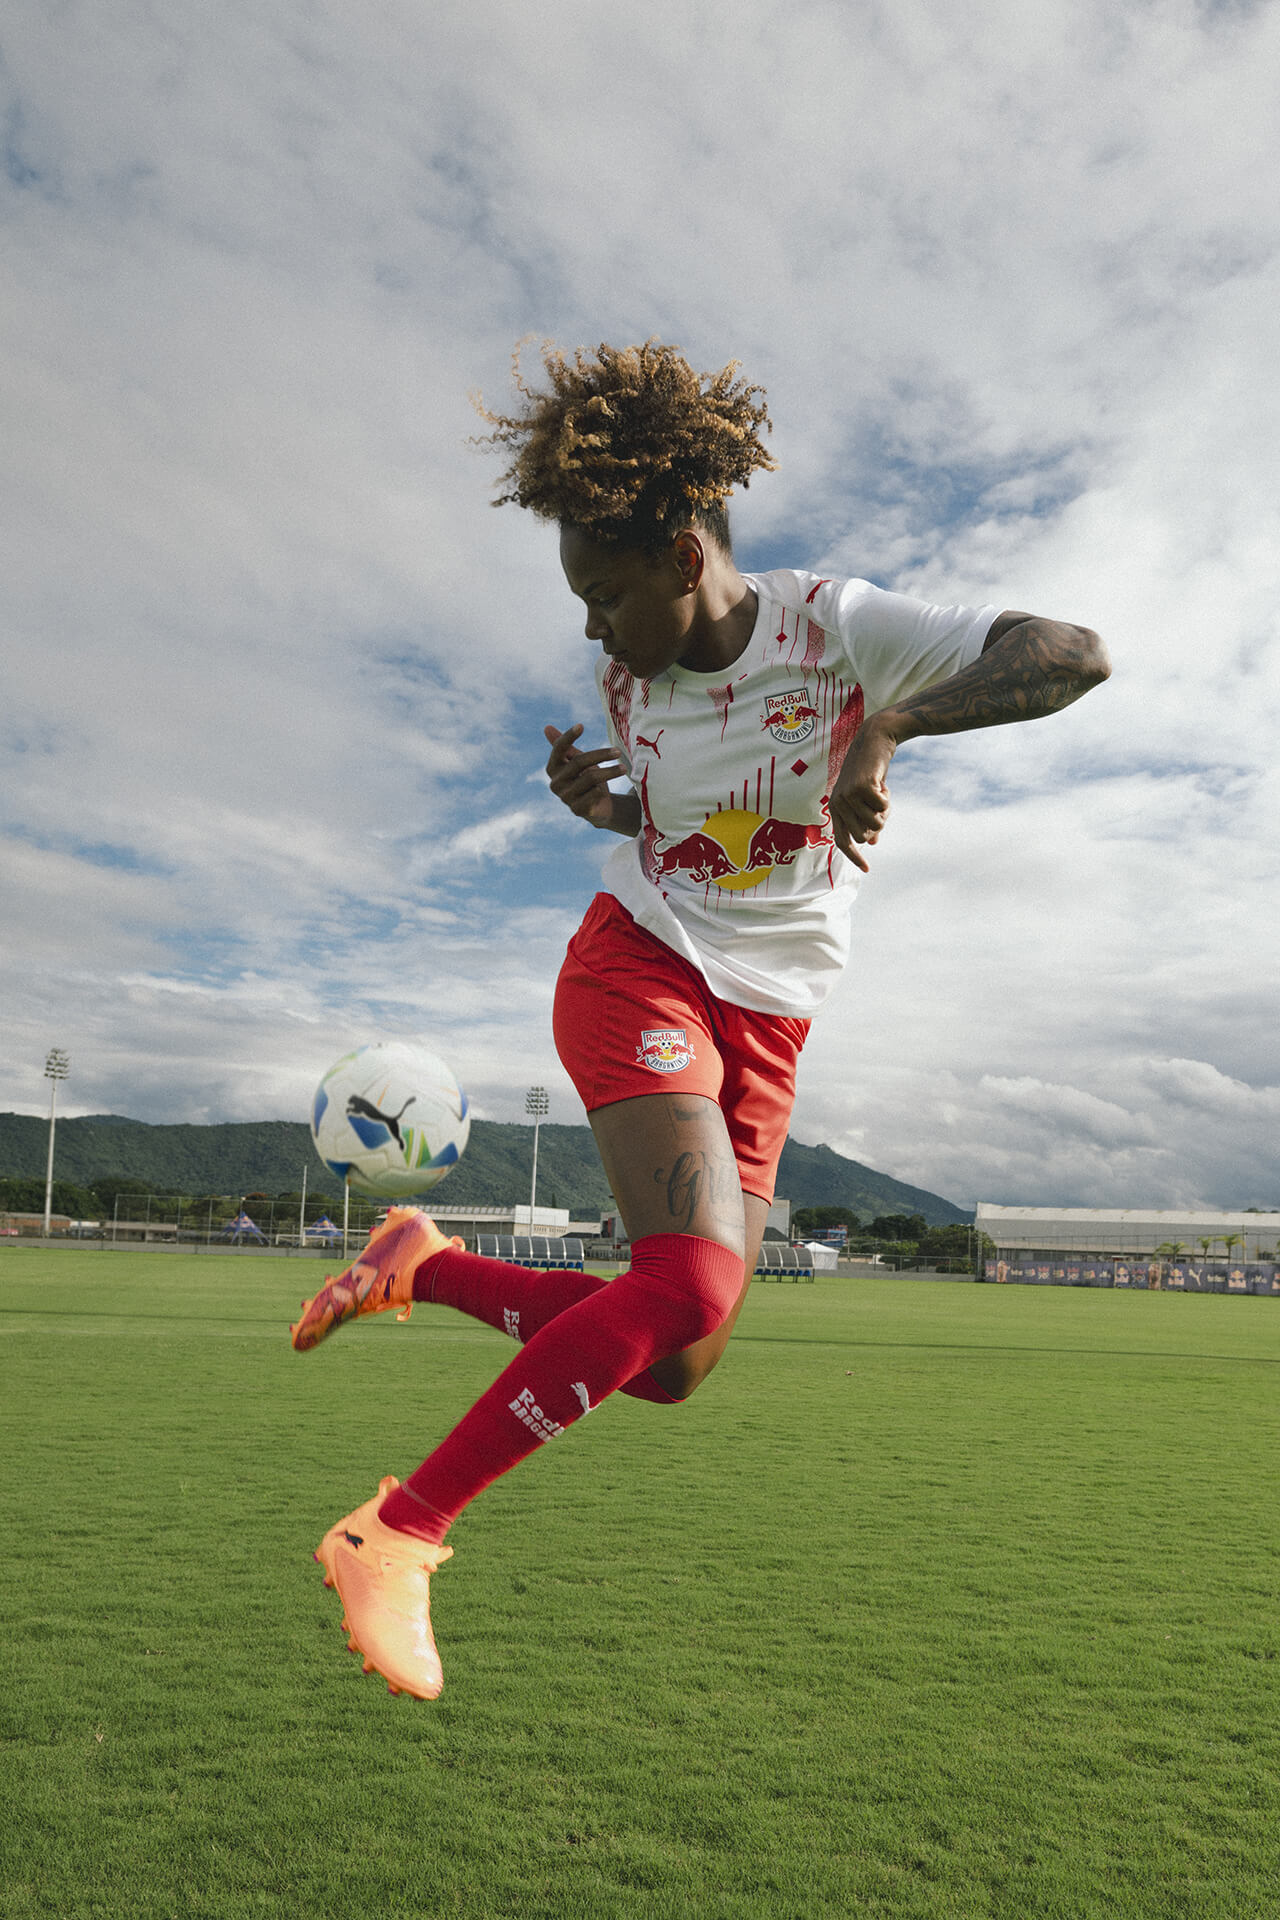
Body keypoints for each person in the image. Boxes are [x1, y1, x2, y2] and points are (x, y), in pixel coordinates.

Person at [292, 339, 1110, 1699]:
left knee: (674, 1360)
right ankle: (400, 1529)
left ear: (684, 559)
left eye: (605, 595)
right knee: (690, 1283)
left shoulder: (835, 626)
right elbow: (683, 835)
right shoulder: (630, 683)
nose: (594, 635)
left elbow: (1068, 653)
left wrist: (889, 727)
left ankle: (419, 1262)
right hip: (641, 966)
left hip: (771, 1017)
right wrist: (605, 811)